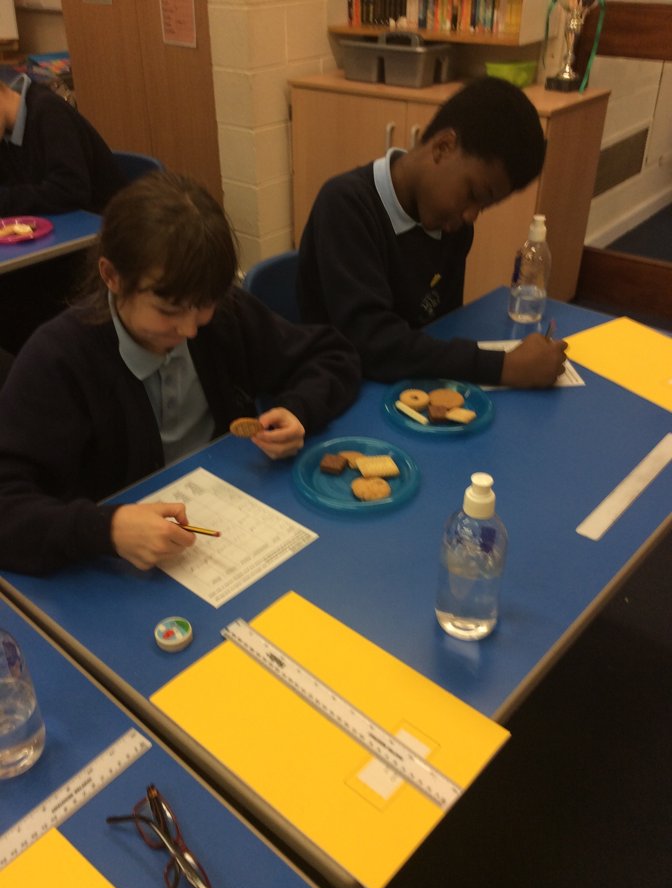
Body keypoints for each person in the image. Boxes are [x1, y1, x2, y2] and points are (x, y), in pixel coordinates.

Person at [0, 170, 361, 576]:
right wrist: (108, 528)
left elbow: (332, 355)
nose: (190, 329)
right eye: (169, 311)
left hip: (231, 527)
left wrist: (299, 409)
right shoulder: (58, 361)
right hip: (118, 573)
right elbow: (8, 508)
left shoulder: (223, 317)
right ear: (112, 276)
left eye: (203, 305)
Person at [297, 76, 568, 387]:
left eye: (485, 206)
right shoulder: (346, 205)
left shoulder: (453, 228)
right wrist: (504, 367)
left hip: (409, 384)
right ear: (443, 146)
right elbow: (372, 346)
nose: (471, 215)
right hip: (338, 390)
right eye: (473, 193)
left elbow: (441, 327)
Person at [0, 73, 127, 215]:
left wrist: (6, 201)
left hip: (102, 222)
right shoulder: (6, 133)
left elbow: (71, 190)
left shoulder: (49, 112)